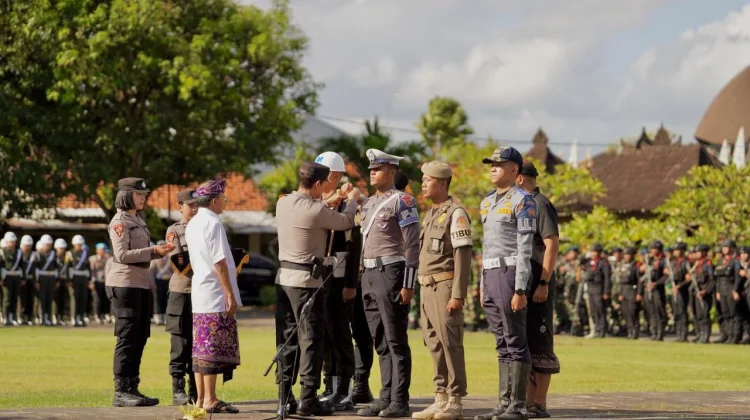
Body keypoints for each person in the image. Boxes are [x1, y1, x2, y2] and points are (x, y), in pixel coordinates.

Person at [275, 161, 360, 416]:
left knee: (286, 340)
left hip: (283, 280)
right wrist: (352, 200)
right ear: (319, 183)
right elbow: (346, 221)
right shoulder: (315, 209)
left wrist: (330, 200)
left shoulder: (283, 203)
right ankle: (308, 398)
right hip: (307, 283)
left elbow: (313, 210)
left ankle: (284, 398)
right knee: (311, 340)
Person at [357, 149, 419, 418]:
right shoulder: (369, 203)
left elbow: (412, 244)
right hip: (369, 274)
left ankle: (399, 400)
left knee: (396, 340)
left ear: (392, 172)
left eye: (378, 169)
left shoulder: (402, 201)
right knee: (380, 340)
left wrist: (408, 284)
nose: (372, 173)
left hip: (391, 272)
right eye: (371, 169)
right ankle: (385, 397)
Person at [475, 146, 535, 420]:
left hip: (510, 272)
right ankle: (504, 402)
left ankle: (518, 405)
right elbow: (486, 246)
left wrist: (520, 288)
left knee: (515, 339)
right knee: (501, 341)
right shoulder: (487, 202)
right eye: (491, 164)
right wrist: (481, 284)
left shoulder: (524, 201)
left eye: (499, 165)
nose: (493, 168)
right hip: (490, 273)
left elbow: (525, 247)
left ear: (514, 170)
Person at [411, 161, 472, 420]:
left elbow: (462, 256)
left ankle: (455, 401)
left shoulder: (456, 213)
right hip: (427, 287)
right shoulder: (430, 214)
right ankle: (440, 398)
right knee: (434, 344)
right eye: (423, 179)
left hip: (445, 287)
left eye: (428, 179)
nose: (423, 183)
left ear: (443, 183)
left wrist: (458, 294)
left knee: (450, 343)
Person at [107, 177, 174, 407]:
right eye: (138, 194)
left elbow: (142, 252)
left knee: (140, 335)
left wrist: (158, 252)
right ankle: (121, 391)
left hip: (141, 283)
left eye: (144, 194)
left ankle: (132, 387)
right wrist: (153, 249)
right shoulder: (119, 222)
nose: (143, 197)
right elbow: (122, 255)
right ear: (126, 195)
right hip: (125, 284)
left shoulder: (138, 220)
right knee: (127, 336)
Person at [185, 178, 242, 414]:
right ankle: (210, 398)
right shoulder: (213, 223)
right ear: (214, 201)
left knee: (201, 347)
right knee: (212, 349)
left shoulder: (192, 223)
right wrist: (229, 293)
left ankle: (200, 398)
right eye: (223, 199)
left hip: (200, 291)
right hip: (215, 291)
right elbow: (219, 262)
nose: (224, 203)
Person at [314, 152, 364, 412]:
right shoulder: (319, 201)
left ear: (334, 176)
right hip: (321, 278)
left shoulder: (347, 203)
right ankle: (329, 386)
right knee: (325, 334)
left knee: (341, 333)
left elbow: (354, 244)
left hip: (341, 277)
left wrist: (350, 283)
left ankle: (344, 389)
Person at [516, 161, 560, 419]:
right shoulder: (519, 205)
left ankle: (539, 402)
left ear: (520, 178)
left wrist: (544, 282)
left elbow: (551, 244)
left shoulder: (540, 204)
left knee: (540, 340)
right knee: (524, 340)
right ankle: (526, 400)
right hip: (523, 280)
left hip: (538, 280)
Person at [165, 188, 199, 406]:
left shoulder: (205, 227)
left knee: (199, 342)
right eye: (190, 205)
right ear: (180, 207)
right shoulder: (174, 230)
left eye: (197, 205)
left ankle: (196, 388)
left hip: (203, 294)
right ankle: (178, 388)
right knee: (180, 341)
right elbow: (178, 261)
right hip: (182, 291)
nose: (195, 209)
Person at [713, 239, 742, 344]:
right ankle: (728, 335)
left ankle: (735, 336)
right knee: (725, 313)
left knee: (734, 313)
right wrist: (717, 291)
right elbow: (717, 278)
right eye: (723, 247)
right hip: (722, 289)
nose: (724, 249)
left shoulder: (735, 261)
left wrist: (735, 290)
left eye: (726, 247)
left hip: (730, 288)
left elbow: (737, 277)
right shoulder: (721, 261)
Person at [639, 241, 668, 341]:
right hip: (648, 289)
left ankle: (660, 332)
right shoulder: (650, 261)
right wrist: (642, 269)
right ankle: (653, 331)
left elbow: (666, 276)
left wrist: (656, 283)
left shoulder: (663, 261)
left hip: (657, 289)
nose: (652, 251)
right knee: (650, 311)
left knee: (659, 311)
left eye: (654, 249)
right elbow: (641, 274)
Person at [581, 244, 611, 338]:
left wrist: (606, 292)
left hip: (599, 288)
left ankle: (602, 329)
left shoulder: (603, 263)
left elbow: (607, 278)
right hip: (590, 288)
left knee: (600, 309)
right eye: (592, 251)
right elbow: (581, 261)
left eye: (595, 252)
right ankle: (597, 328)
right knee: (593, 310)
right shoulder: (588, 262)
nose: (593, 253)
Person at [687, 244, 714, 344]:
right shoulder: (697, 264)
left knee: (704, 314)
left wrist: (705, 290)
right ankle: (700, 334)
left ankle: (706, 335)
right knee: (698, 314)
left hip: (704, 292)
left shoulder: (707, 264)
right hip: (696, 292)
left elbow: (711, 279)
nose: (697, 254)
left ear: (704, 253)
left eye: (698, 252)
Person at [614, 247, 641, 339]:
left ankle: (635, 330)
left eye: (628, 255)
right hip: (624, 289)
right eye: (625, 255)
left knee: (633, 311)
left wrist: (639, 293)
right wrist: (620, 293)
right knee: (626, 312)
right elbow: (621, 281)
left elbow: (639, 280)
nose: (626, 257)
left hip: (632, 289)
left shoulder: (636, 266)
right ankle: (629, 330)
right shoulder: (622, 266)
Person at [668, 243, 692, 342]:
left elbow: (689, 278)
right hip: (674, 288)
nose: (675, 252)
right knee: (676, 312)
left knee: (682, 312)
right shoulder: (673, 263)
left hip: (682, 289)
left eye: (677, 250)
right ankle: (679, 332)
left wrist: (679, 286)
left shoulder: (686, 262)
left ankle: (684, 334)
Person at [67, 235, 91, 327]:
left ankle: (81, 317)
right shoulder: (69, 253)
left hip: (83, 278)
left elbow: (88, 267)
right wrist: (69, 280)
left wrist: (89, 279)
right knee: (75, 298)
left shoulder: (85, 253)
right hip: (74, 278)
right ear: (74, 244)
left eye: (81, 245)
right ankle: (74, 317)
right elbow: (68, 267)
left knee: (83, 298)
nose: (79, 246)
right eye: (78, 244)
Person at [149, 240, 173, 326]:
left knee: (167, 299)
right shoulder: (155, 258)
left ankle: (166, 316)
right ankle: (158, 316)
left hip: (169, 280)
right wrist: (152, 283)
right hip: (159, 280)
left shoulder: (170, 257)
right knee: (158, 299)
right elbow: (152, 272)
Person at [1, 232, 23, 326]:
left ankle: (12, 317)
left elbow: (21, 266)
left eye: (14, 242)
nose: (12, 243)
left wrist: (22, 278)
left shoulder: (19, 252)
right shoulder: (2, 252)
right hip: (6, 277)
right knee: (7, 298)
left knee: (15, 297)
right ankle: (5, 317)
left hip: (16, 277)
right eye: (11, 242)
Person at [90, 243, 112, 324]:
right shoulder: (93, 259)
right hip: (96, 281)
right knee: (97, 299)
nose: (103, 251)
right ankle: (96, 315)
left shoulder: (107, 259)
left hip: (105, 282)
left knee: (105, 299)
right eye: (101, 249)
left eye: (104, 249)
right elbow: (92, 272)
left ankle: (104, 315)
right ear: (97, 250)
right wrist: (91, 282)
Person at [19, 235, 38, 326]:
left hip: (31, 281)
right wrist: (22, 278)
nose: (28, 247)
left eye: (29, 245)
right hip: (22, 280)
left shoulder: (34, 255)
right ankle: (21, 317)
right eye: (26, 245)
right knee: (22, 300)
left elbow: (36, 269)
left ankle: (29, 317)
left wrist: (35, 280)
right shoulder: (19, 254)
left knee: (31, 300)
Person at [54, 238, 71, 326]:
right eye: (60, 248)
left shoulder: (67, 257)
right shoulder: (53, 257)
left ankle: (61, 317)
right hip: (56, 281)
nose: (62, 250)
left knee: (64, 299)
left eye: (63, 248)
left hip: (64, 281)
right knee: (55, 300)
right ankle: (54, 317)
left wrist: (68, 280)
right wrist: (56, 280)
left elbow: (69, 269)